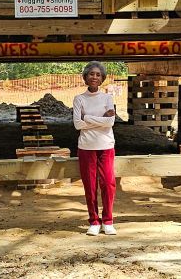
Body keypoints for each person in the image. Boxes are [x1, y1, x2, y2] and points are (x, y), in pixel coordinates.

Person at [72, 61, 117, 236]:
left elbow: (110, 123)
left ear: (102, 78)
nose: (94, 77)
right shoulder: (79, 99)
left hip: (106, 146)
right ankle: (94, 221)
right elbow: (77, 124)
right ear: (85, 77)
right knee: (89, 185)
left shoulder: (107, 98)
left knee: (108, 183)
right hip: (86, 147)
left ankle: (108, 220)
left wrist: (88, 118)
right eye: (91, 74)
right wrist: (101, 119)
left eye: (98, 75)